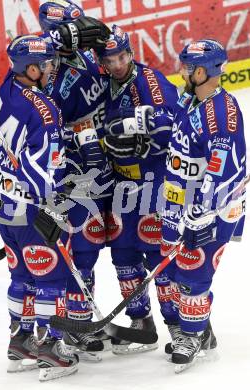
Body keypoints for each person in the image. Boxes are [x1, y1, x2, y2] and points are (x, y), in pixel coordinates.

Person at [0, 35, 79, 381]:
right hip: (33, 208)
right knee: (53, 277)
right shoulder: (47, 111)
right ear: (30, 69)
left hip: (2, 201)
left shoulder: (6, 88)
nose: (50, 69)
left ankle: (21, 338)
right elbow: (41, 170)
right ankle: (50, 346)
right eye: (44, 65)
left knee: (22, 275)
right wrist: (54, 205)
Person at [161, 39, 246, 371]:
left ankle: (193, 335)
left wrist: (203, 211)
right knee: (172, 266)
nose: (181, 71)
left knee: (195, 270)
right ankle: (202, 329)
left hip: (211, 207)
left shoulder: (222, 113)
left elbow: (221, 167)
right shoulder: (190, 99)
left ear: (202, 71)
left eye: (186, 67)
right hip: (177, 200)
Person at [95, 25, 180, 354]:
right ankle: (140, 321)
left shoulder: (150, 81)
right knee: (124, 254)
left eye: (122, 56)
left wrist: (134, 125)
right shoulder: (104, 85)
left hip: (153, 180)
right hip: (121, 181)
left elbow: (171, 120)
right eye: (110, 59)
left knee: (159, 256)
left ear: (131, 54)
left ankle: (179, 324)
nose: (117, 64)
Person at [38, 0, 112, 358]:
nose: (83, 30)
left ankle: (79, 320)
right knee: (74, 253)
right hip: (73, 173)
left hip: (103, 161)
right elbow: (48, 128)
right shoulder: (45, 71)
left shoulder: (82, 55)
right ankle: (66, 327)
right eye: (74, 26)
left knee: (94, 249)